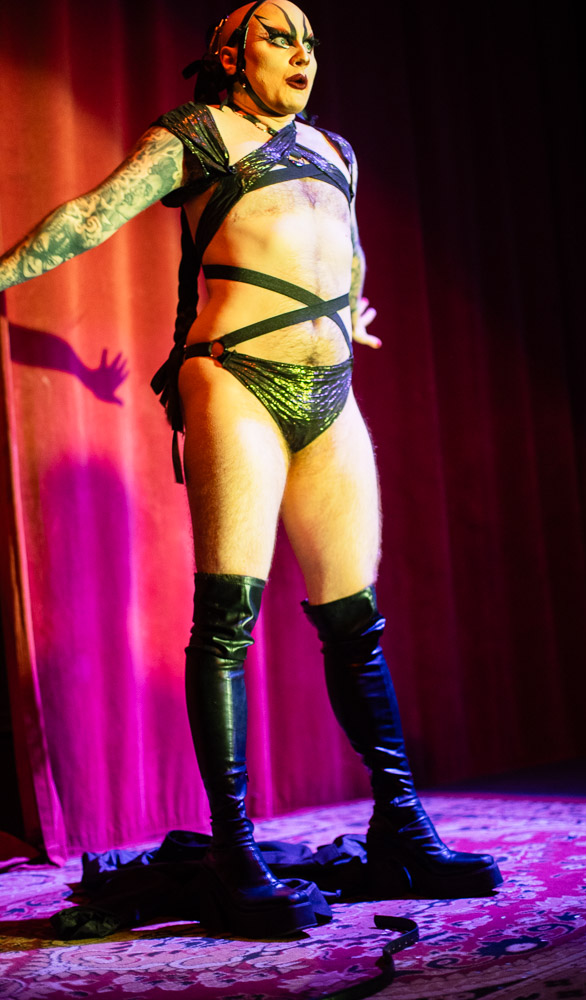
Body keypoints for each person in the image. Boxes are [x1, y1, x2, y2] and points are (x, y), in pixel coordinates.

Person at [0, 1, 501, 938]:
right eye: (280, 37)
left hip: (330, 393)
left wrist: (349, 308)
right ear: (229, 55)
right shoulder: (195, 135)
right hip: (234, 378)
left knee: (354, 623)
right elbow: (92, 214)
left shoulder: (338, 151)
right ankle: (234, 853)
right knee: (227, 620)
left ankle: (402, 829)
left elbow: (348, 254)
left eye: (311, 41)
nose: (302, 53)